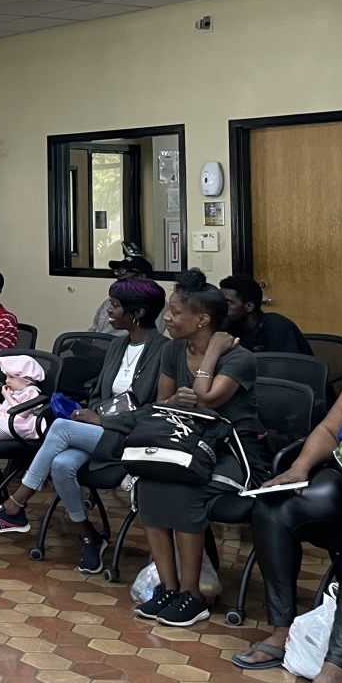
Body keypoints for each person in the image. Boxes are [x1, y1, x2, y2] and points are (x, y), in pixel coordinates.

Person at [0, 276, 168, 572]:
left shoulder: (165, 351)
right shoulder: (117, 346)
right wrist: (90, 414)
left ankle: (14, 506)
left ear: (137, 313)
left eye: (114, 305)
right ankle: (89, 536)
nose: (108, 311)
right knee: (61, 464)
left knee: (60, 428)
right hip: (100, 432)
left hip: (132, 436)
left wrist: (102, 419)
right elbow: (98, 393)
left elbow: (157, 409)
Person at [132, 269, 265, 628]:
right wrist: (174, 400)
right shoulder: (172, 349)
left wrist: (215, 350)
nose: (167, 317)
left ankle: (192, 595)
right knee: (150, 482)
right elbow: (161, 402)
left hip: (235, 452)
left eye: (175, 312)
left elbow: (207, 398)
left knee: (186, 486)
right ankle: (168, 588)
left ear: (203, 320)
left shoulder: (239, 358)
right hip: (188, 443)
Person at [235, 366, 342, 683]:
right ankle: (282, 631)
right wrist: (301, 467)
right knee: (274, 508)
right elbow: (332, 427)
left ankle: (336, 667)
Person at [220, 275, 313, 355]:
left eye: (228, 303)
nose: (221, 307)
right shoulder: (229, 326)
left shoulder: (278, 327)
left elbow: (282, 367)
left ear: (249, 306)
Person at [92, 255, 152, 332]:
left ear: (141, 276)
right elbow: (94, 328)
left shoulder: (153, 303)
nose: (118, 274)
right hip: (97, 339)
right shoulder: (108, 302)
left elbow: (148, 335)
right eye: (117, 271)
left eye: (123, 271)